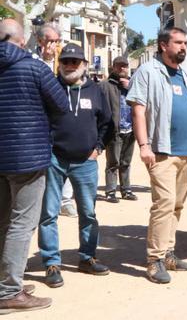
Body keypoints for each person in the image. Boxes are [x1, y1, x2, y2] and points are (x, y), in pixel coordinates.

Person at [127, 27, 187, 284]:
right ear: (163, 45)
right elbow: (138, 110)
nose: (183, 47)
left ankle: (169, 253)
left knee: (176, 205)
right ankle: (154, 261)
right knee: (163, 204)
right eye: (178, 43)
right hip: (162, 150)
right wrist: (143, 145)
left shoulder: (185, 74)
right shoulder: (147, 72)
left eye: (185, 42)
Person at [0, 19, 66, 313]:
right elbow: (61, 105)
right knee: (21, 224)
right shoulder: (34, 66)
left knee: (3, 221)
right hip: (27, 157)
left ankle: (4, 282)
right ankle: (9, 291)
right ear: (22, 39)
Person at [39, 43, 114, 287]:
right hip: (55, 159)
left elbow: (107, 123)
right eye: (66, 61)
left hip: (85, 162)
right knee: (49, 213)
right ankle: (51, 262)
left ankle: (87, 257)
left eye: (75, 62)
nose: (70, 65)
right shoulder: (51, 87)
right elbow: (39, 118)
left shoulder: (95, 91)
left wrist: (99, 147)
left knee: (88, 213)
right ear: (60, 65)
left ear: (84, 65)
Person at [33, 25, 77, 219]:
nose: (56, 45)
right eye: (52, 41)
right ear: (41, 41)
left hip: (59, 125)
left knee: (65, 159)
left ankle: (65, 201)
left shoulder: (61, 62)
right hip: (39, 126)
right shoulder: (33, 61)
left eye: (58, 41)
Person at [99, 56, 136, 203]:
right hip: (114, 130)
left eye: (124, 66)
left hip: (130, 129)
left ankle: (126, 190)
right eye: (119, 66)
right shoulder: (105, 85)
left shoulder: (133, 85)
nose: (122, 69)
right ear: (113, 67)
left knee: (126, 162)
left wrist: (131, 86)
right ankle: (110, 191)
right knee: (113, 163)